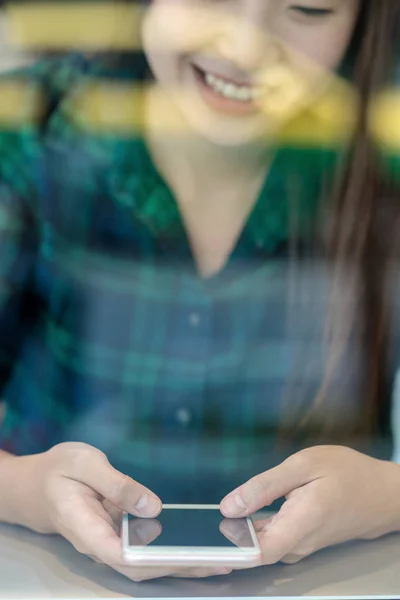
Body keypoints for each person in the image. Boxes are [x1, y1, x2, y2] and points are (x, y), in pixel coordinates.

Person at [0, 0, 399, 582]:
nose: (244, 48)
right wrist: (24, 492)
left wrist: (386, 496)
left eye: (308, 9)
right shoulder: (30, 127)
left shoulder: (385, 143)